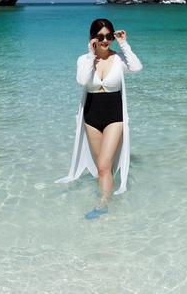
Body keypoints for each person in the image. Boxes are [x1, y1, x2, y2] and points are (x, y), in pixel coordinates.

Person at [55, 18, 143, 219]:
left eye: (109, 36)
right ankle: (105, 200)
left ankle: (103, 204)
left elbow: (137, 67)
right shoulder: (84, 60)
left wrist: (123, 43)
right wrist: (91, 54)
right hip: (91, 115)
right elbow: (82, 80)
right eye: (100, 37)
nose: (105, 41)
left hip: (114, 115)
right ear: (92, 38)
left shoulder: (119, 59)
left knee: (103, 164)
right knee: (102, 168)